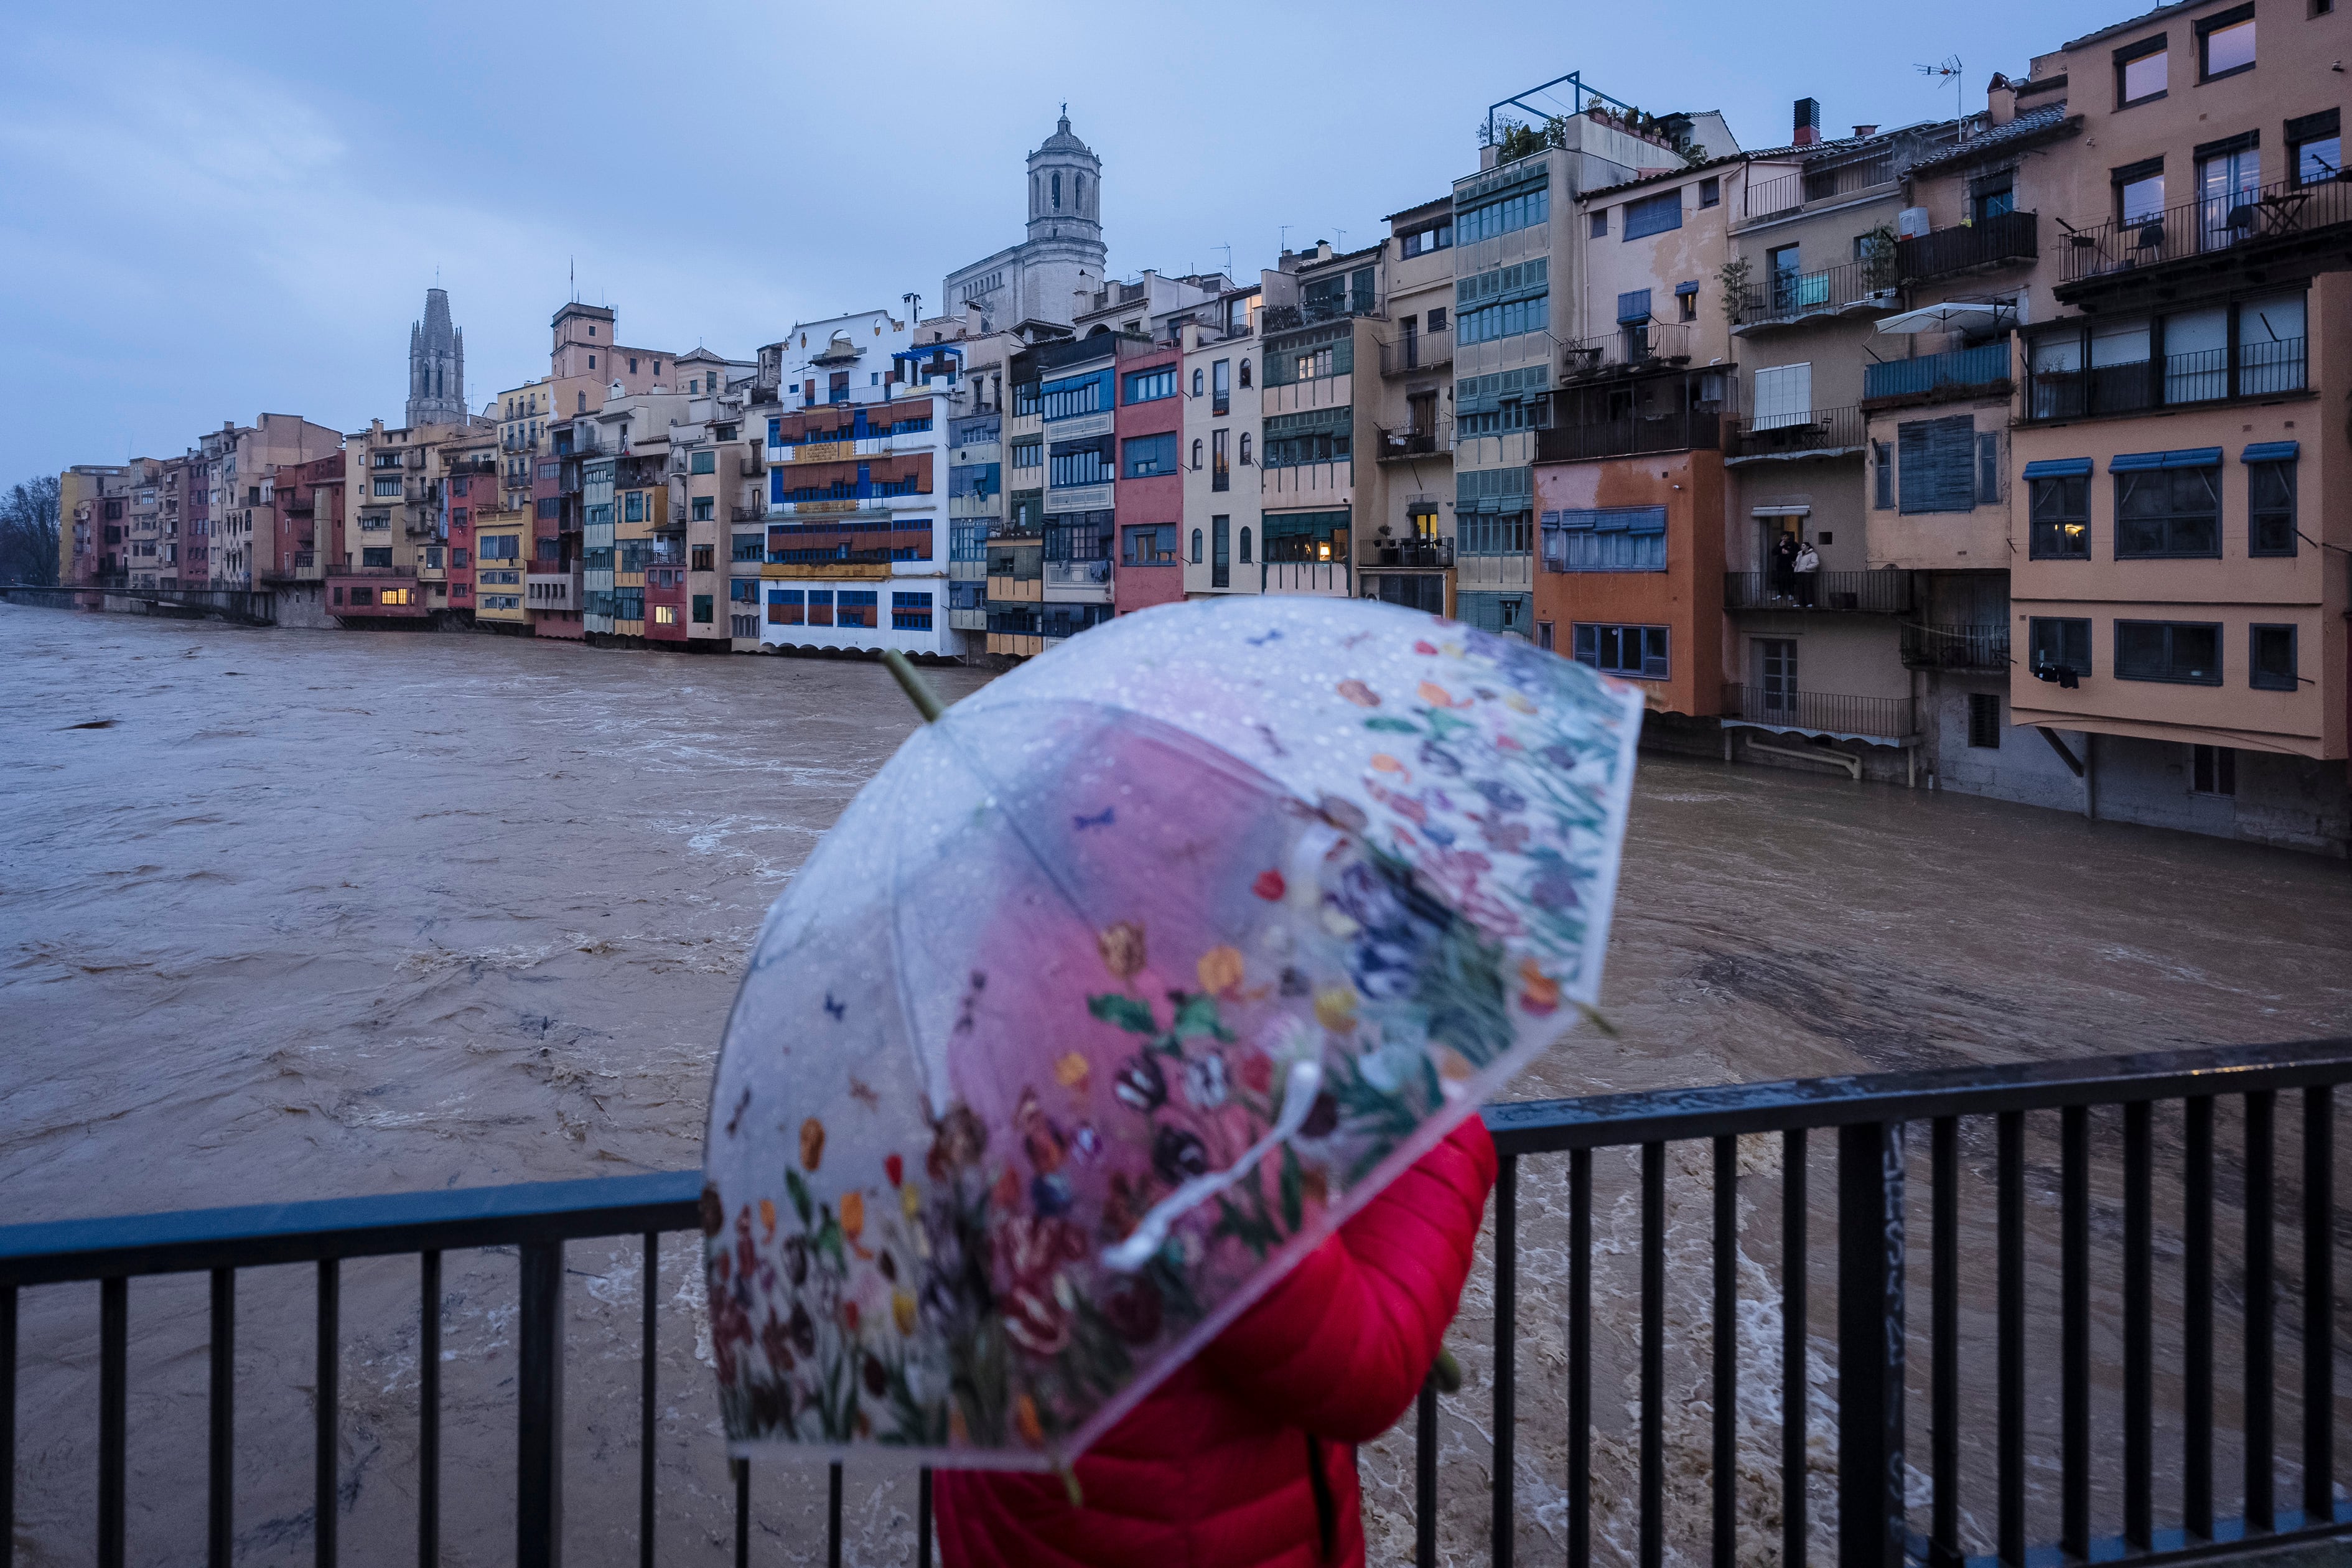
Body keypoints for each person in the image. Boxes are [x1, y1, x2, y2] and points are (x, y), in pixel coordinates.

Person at [934, 1117, 1499, 1568]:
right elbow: (1365, 1366)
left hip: (1024, 1524)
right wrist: (1436, 1119)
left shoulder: (989, 1022)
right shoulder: (1166, 1081)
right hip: (1197, 1534)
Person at [1769, 533, 1799, 602]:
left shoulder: (1794, 544)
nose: (1783, 538)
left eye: (1785, 536)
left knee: (1790, 580)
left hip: (1789, 565)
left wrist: (1788, 552)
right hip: (1780, 566)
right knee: (1780, 580)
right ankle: (1780, 594)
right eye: (1782, 537)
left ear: (1788, 537)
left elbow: (1797, 554)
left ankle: (1791, 594)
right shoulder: (1780, 544)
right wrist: (1779, 546)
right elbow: (1773, 552)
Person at [1791, 538, 1821, 608]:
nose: (1802, 547)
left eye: (1804, 546)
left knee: (1808, 588)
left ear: (1808, 547)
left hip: (1808, 573)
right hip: (1799, 573)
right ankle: (1801, 603)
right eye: (1802, 546)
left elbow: (1816, 563)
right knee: (1800, 589)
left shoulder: (1813, 554)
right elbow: (1797, 562)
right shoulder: (1800, 554)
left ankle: (1810, 603)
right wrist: (1794, 565)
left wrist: (1807, 568)